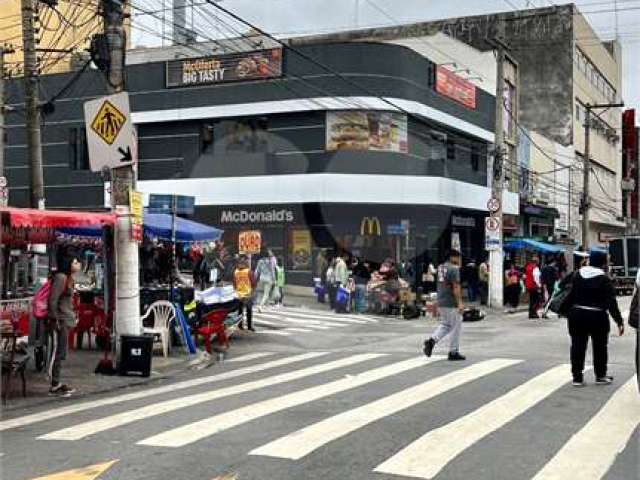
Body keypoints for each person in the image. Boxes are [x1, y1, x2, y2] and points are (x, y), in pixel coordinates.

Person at [565, 250, 624, 387]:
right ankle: (600, 376)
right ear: (602, 262)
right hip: (597, 317)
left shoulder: (577, 274)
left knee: (577, 346)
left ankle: (577, 378)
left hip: (577, 315)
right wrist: (619, 321)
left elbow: (568, 292)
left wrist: (567, 311)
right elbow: (611, 303)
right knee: (600, 347)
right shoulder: (604, 279)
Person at [47, 255, 81, 396]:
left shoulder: (68, 278)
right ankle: (54, 384)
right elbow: (53, 300)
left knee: (62, 352)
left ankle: (57, 382)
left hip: (66, 319)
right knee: (58, 353)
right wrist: (55, 319)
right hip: (60, 321)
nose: (78, 264)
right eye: (75, 262)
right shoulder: (61, 278)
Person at [423, 250, 466, 361]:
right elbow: (456, 286)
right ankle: (453, 352)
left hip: (441, 300)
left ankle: (431, 341)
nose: (459, 260)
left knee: (446, 325)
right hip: (451, 302)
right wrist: (460, 303)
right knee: (456, 326)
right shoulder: (454, 269)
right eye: (458, 257)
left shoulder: (441, 267)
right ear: (452, 257)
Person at [234, 255, 256, 331]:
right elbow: (253, 283)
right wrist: (253, 291)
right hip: (248, 294)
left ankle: (240, 325)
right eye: (246, 261)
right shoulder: (249, 271)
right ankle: (249, 326)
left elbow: (234, 284)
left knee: (240, 311)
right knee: (249, 311)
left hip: (239, 294)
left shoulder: (236, 272)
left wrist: (236, 290)